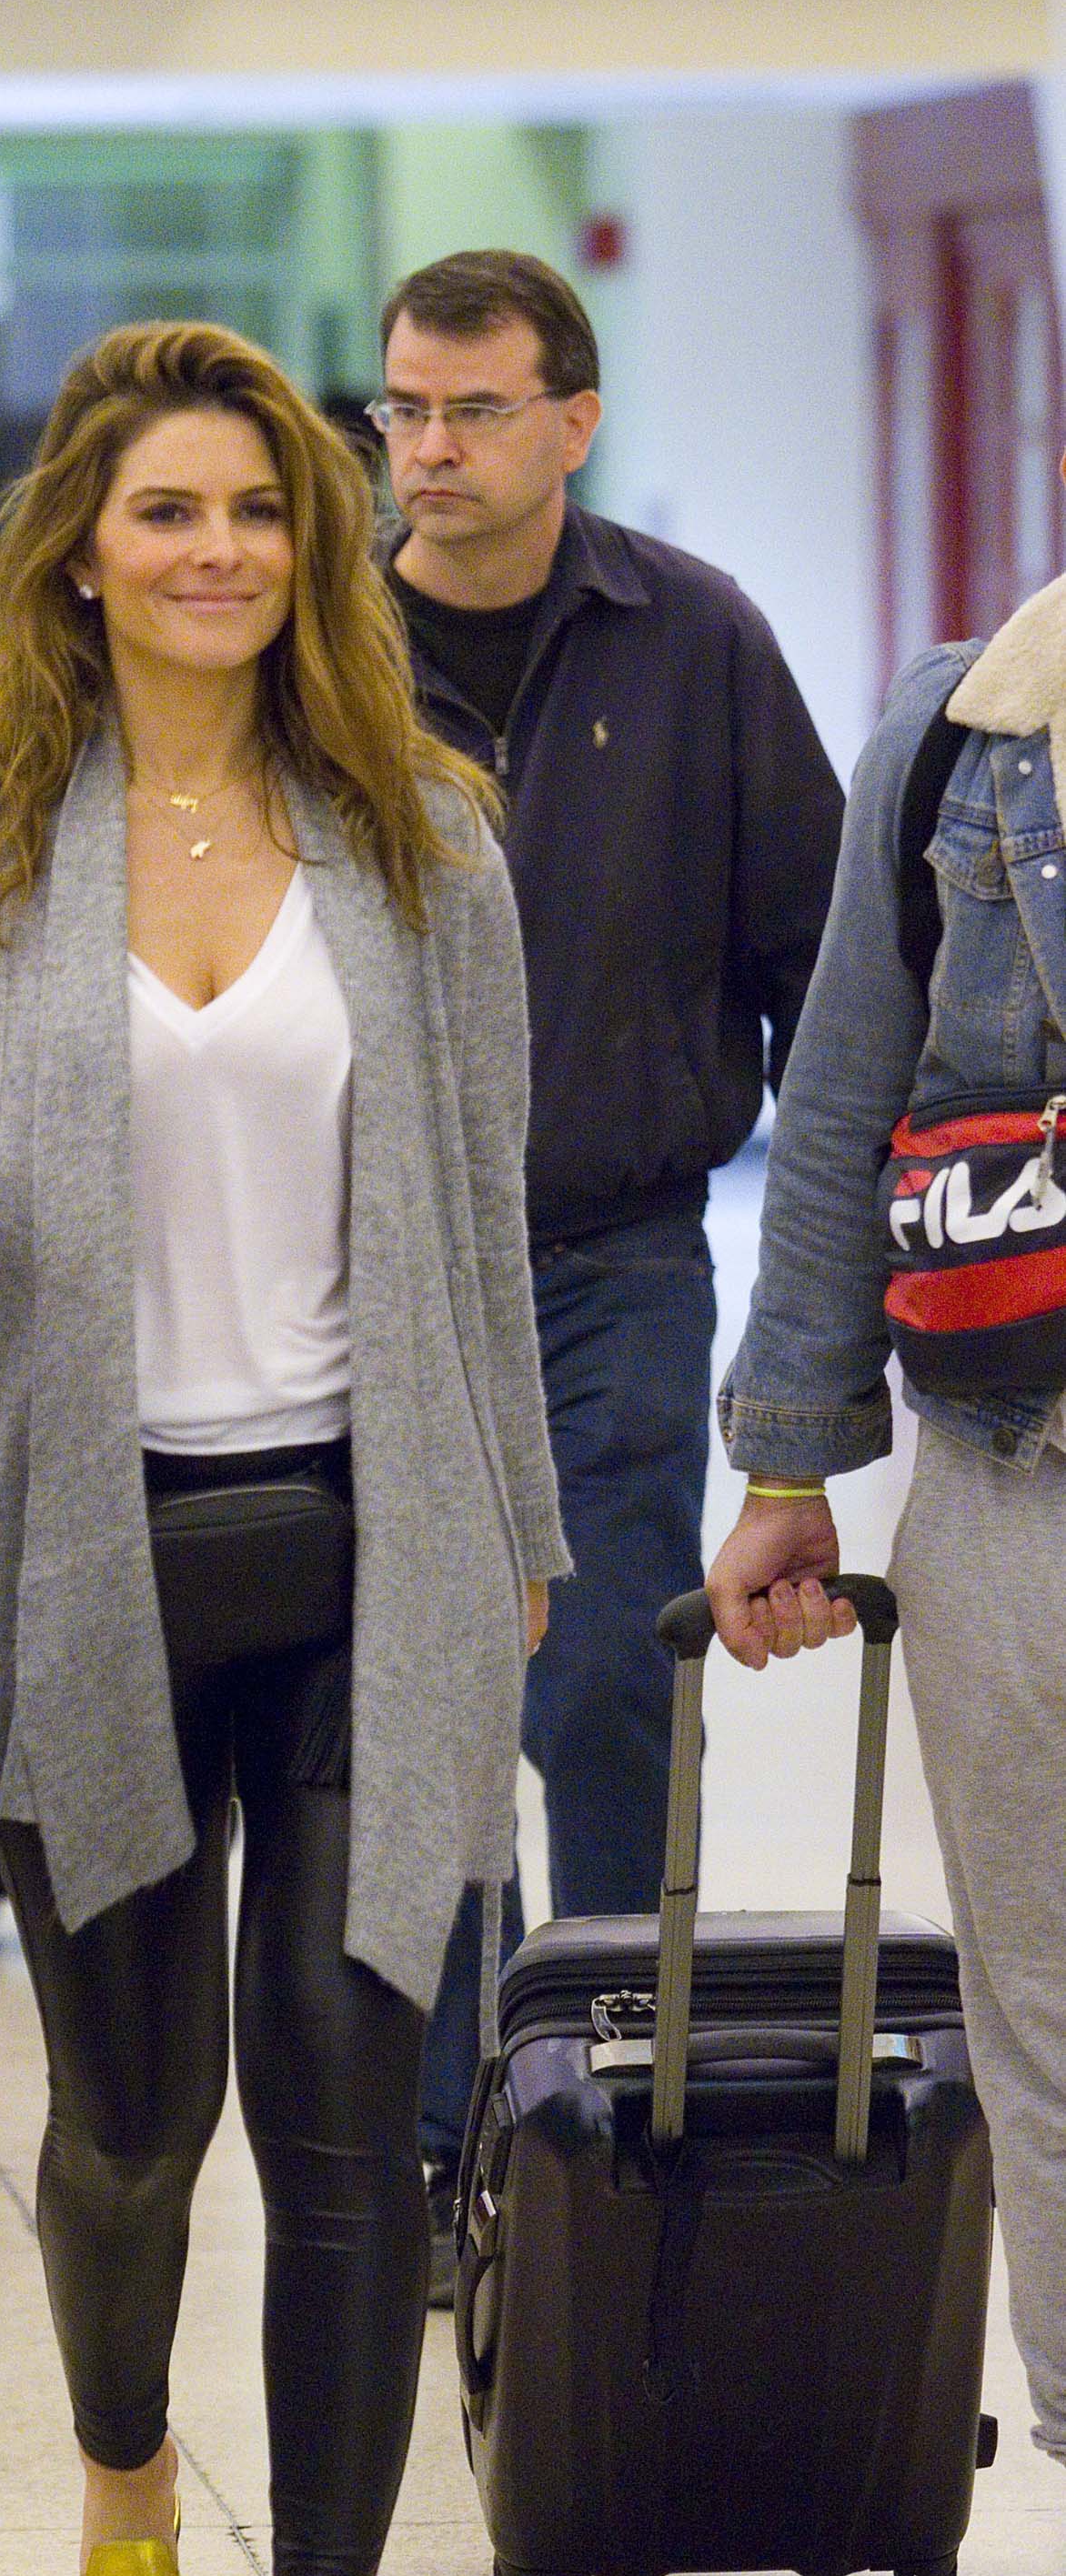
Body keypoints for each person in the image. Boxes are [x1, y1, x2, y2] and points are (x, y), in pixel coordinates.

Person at [0, 320, 567, 2576]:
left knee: (347, 2124)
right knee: (132, 2121)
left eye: (258, 509)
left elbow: (484, 1215)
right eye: (167, 512)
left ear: (313, 538)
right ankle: (128, 2481)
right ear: (80, 543)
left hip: (372, 1539)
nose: (220, 551)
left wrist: (525, 1533)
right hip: (80, 1545)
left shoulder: (417, 839)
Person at [371, 248, 844, 2284]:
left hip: (616, 1250)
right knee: (417, 1707)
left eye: (473, 409)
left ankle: (610, 2079)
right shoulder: (320, 650)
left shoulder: (698, 642)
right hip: (366, 1278)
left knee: (597, 1682)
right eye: (401, 408)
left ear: (572, 419)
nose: (429, 449)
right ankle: (444, 2139)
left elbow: (818, 970)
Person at [706, 530, 1066, 2576]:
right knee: (1039, 2012)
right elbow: (837, 1109)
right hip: (1013, 1461)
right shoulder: (963, 731)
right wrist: (783, 1461)